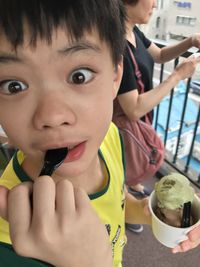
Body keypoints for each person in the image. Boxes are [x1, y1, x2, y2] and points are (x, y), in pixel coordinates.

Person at [0, 1, 151, 267]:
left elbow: (118, 202)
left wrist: (148, 212)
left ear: (116, 77)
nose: (52, 117)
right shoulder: (9, 237)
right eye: (13, 86)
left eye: (79, 76)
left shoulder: (110, 139)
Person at [113, 0, 200, 233]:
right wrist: (177, 77)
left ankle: (133, 193)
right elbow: (132, 108)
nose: (154, 4)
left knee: (129, 163)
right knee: (120, 167)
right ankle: (122, 209)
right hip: (124, 124)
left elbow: (160, 55)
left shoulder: (133, 31)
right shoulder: (116, 45)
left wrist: (191, 41)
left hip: (137, 122)